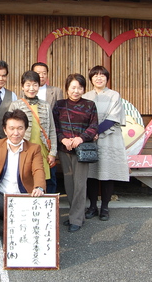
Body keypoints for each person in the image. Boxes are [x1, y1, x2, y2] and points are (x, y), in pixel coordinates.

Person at [0, 109, 46, 249]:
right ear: (5, 130)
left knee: (23, 240)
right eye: (11, 128)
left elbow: (38, 170)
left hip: (23, 199)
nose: (15, 133)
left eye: (20, 128)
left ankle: (10, 224)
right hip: (1, 197)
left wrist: (39, 187)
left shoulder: (34, 149)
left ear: (25, 130)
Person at [82, 66, 129, 221]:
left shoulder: (114, 95)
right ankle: (93, 206)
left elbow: (113, 117)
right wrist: (90, 133)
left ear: (107, 78)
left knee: (107, 174)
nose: (99, 78)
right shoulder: (86, 96)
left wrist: (95, 132)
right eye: (95, 75)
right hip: (91, 140)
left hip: (109, 138)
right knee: (92, 174)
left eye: (102, 75)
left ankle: (105, 207)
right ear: (91, 79)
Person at [53, 73, 98, 232]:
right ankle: (75, 214)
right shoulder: (59, 105)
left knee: (79, 185)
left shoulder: (90, 105)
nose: (76, 91)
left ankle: (77, 219)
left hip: (81, 150)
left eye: (80, 88)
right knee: (69, 184)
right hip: (65, 150)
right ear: (67, 89)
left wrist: (81, 138)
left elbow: (93, 127)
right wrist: (62, 139)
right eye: (73, 87)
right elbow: (55, 126)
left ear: (84, 89)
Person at [8, 71, 57, 193]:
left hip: (43, 152)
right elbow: (10, 131)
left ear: (39, 86)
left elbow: (51, 130)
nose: (31, 88)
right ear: (22, 86)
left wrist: (53, 153)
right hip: (22, 151)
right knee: (24, 183)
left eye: (35, 85)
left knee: (42, 183)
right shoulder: (15, 105)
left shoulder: (45, 106)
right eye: (28, 85)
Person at [31, 62, 63, 193]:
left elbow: (60, 116)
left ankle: (51, 204)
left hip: (49, 139)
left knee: (51, 174)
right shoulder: (26, 91)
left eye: (44, 73)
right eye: (38, 73)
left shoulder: (55, 91)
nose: (41, 76)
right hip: (32, 139)